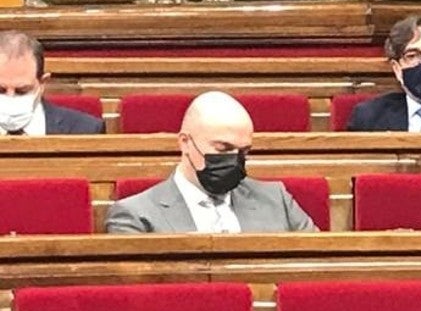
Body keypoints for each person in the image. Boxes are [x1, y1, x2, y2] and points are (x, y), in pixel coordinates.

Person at [105, 91, 317, 233]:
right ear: (185, 143)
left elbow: (318, 268)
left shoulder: (277, 200)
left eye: (243, 151)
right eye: (223, 149)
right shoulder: (135, 214)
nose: (234, 159)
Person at [0, 31, 103, 135]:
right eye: (0, 90)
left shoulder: (86, 129)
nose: (10, 97)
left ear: (42, 83)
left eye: (22, 91)